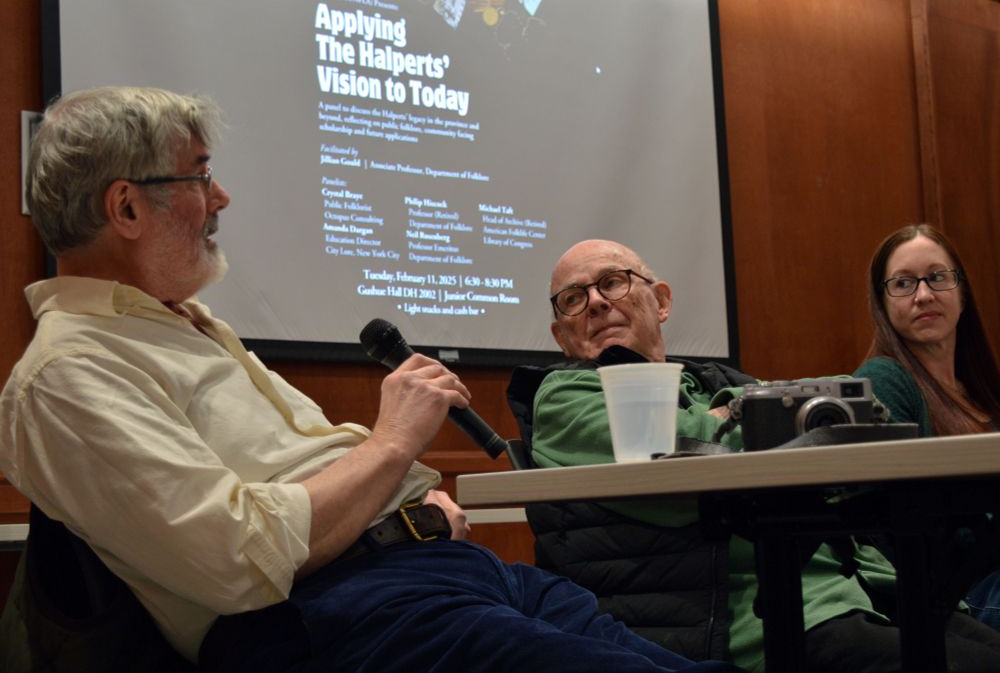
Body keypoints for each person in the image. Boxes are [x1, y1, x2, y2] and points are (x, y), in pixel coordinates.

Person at [0, 87, 744, 673]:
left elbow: (302, 476)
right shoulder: (68, 373)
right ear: (126, 206)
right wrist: (391, 446)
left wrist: (415, 507)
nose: (220, 198)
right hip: (331, 616)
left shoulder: (185, 325)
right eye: (199, 175)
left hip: (437, 569)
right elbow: (232, 557)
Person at [506, 238, 1000, 673]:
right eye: (573, 298)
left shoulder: (713, 381)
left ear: (660, 302)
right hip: (749, 614)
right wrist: (750, 416)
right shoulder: (564, 395)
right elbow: (703, 458)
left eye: (612, 282)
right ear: (560, 335)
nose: (594, 303)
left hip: (867, 587)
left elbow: (843, 429)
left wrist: (739, 413)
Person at [854, 223, 1000, 628]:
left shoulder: (982, 389)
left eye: (937, 277)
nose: (923, 295)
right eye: (903, 283)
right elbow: (901, 528)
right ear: (882, 303)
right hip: (957, 594)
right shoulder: (884, 380)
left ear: (962, 290)